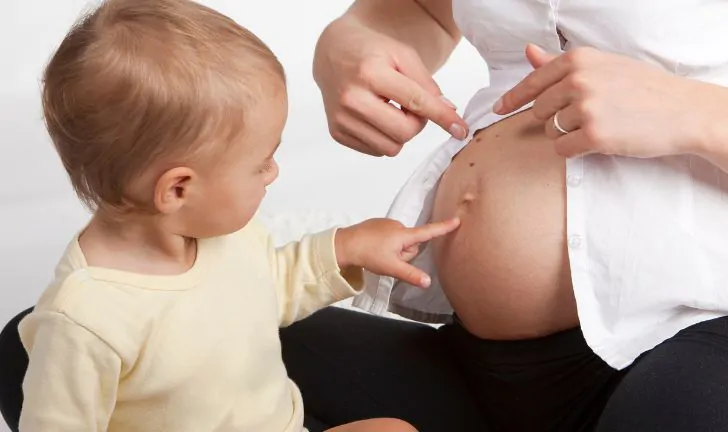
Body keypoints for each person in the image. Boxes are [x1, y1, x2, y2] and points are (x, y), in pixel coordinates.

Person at [12, 0, 463, 430]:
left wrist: (347, 248)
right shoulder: (88, 318)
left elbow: (267, 287)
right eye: (261, 162)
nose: (273, 173)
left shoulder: (221, 235)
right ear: (179, 188)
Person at [279, 0, 728, 431]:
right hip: (477, 367)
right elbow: (420, 10)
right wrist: (351, 42)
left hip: (690, 332)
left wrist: (697, 112)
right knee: (237, 351)